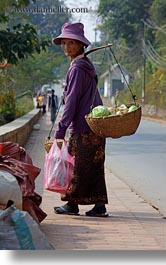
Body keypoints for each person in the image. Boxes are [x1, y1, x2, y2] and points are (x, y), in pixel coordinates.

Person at [52, 22, 109, 217]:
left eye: (71, 43)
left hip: (84, 127)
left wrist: (60, 129)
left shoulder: (77, 68)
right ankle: (99, 206)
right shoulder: (86, 65)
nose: (66, 47)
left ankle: (72, 204)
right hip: (95, 126)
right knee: (93, 166)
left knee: (76, 167)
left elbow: (72, 102)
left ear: (80, 45)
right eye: (64, 43)